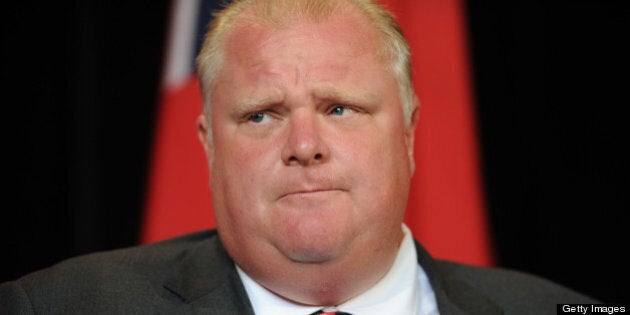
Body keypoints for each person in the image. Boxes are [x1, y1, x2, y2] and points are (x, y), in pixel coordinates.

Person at [1, 0, 599, 314]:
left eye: (339, 108)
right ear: (208, 145)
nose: (305, 145)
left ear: (410, 135)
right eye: (261, 114)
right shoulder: (56, 307)